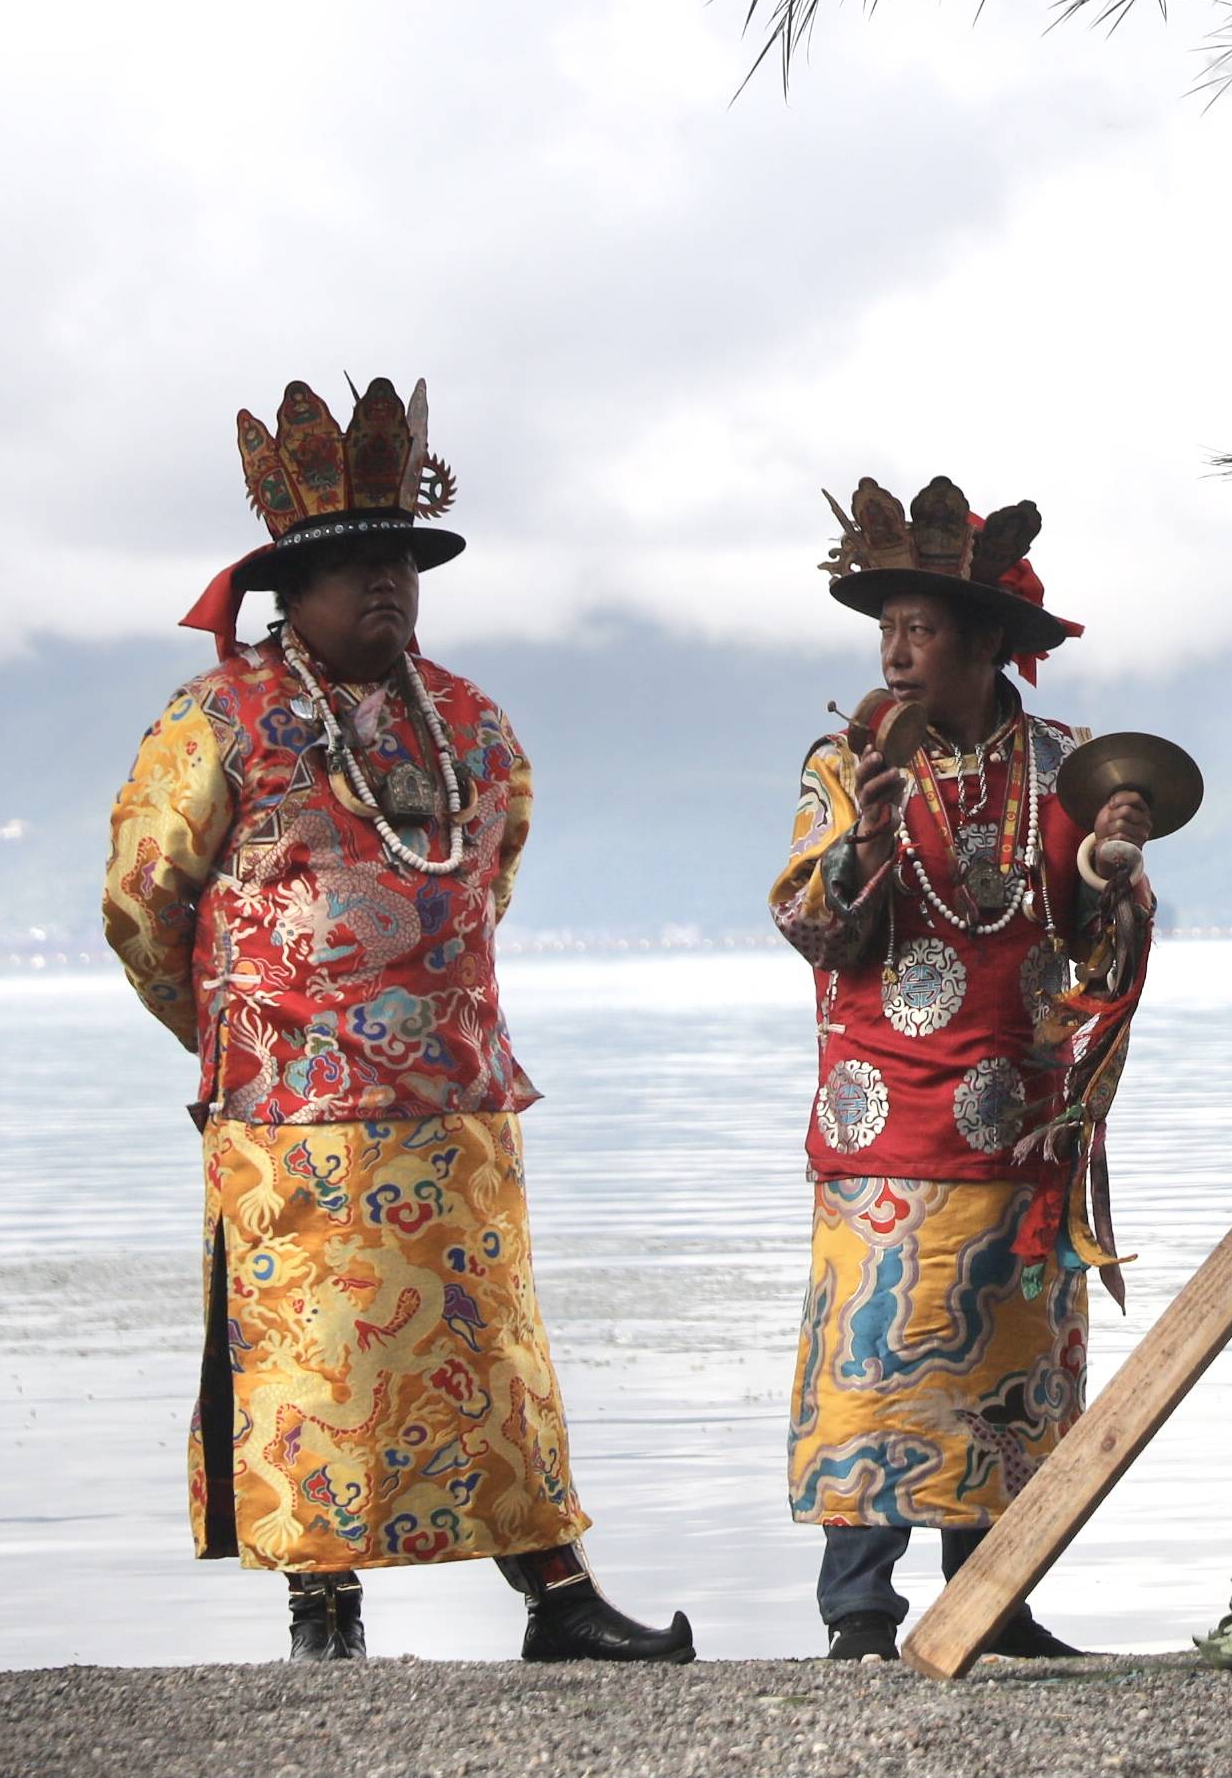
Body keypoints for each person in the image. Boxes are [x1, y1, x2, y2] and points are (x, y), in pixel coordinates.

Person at [101, 378, 690, 1665]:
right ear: (284, 590)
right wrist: (242, 1031)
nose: (388, 584)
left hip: (457, 1098)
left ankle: (558, 1592)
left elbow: (494, 871)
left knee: (491, 1351)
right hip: (290, 1117)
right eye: (356, 565)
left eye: (403, 563)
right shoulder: (219, 717)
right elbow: (145, 900)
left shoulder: (472, 718)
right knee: (316, 1361)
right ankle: (325, 1613)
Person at [769, 476, 1159, 1661]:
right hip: (885, 1119)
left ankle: (997, 1600)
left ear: (986, 643)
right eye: (883, 628)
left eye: (920, 629)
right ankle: (859, 1612)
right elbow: (811, 924)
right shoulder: (841, 766)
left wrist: (1106, 872)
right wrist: (870, 846)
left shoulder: (1072, 765)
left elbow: (1107, 946)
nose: (893, 652)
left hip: (1021, 1123)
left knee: (1008, 1370)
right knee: (875, 1362)